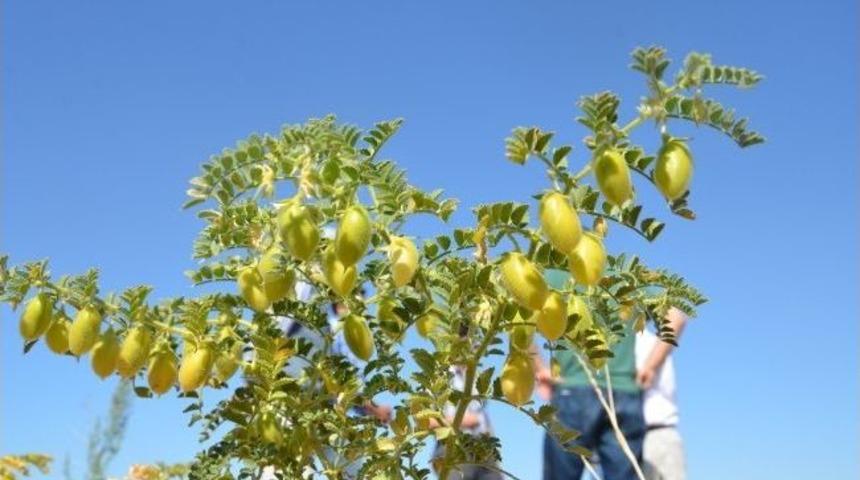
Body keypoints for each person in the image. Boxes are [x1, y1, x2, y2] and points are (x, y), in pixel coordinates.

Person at [534, 269, 645, 480]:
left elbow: (520, 319)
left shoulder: (555, 277)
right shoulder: (628, 279)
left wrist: (539, 370)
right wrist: (651, 366)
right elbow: (676, 315)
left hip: (573, 389)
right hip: (625, 391)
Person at [430, 326, 502, 480]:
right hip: (453, 446)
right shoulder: (440, 376)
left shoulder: (476, 378)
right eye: (467, 343)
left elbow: (483, 418)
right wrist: (461, 421)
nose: (473, 348)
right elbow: (425, 420)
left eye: (475, 344)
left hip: (485, 449)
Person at [635, 307, 688, 480]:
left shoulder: (648, 343)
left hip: (657, 435)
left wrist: (649, 367)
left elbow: (676, 318)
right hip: (626, 438)